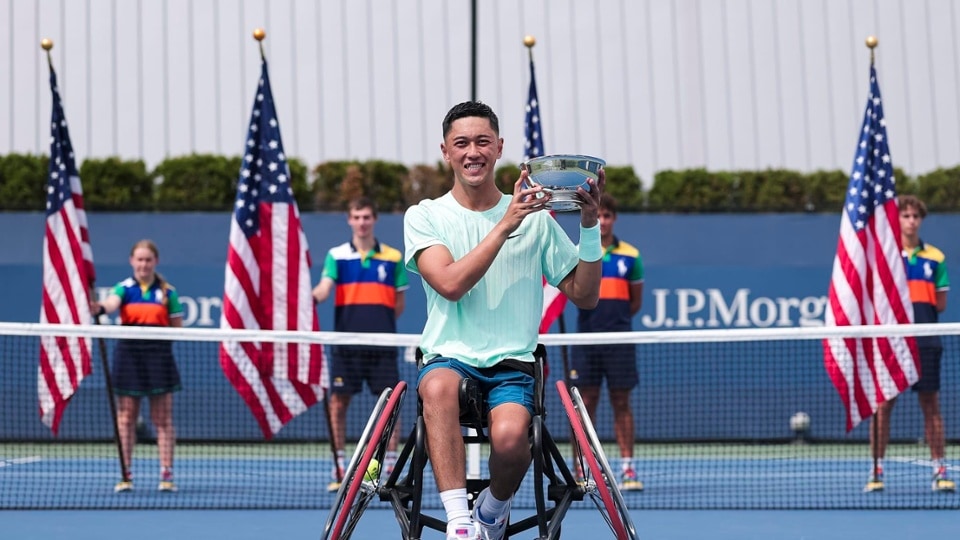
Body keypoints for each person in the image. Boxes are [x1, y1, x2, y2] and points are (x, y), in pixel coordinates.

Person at [403, 101, 604, 540]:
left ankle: (492, 510)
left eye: (482, 142)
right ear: (446, 151)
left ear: (499, 149)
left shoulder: (538, 222)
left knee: (514, 440)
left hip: (513, 364)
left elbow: (586, 295)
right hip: (448, 357)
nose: (472, 152)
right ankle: (459, 522)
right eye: (461, 143)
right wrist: (506, 223)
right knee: (437, 386)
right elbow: (451, 284)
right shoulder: (424, 215)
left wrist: (589, 226)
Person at [312, 196, 408, 492]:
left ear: (374, 219)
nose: (362, 222)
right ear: (349, 220)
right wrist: (310, 297)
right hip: (346, 344)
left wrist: (376, 323)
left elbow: (399, 303)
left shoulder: (393, 257)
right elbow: (325, 289)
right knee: (338, 404)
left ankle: (388, 465)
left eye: (367, 216)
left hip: (381, 342)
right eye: (357, 216)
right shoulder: (336, 256)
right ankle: (340, 466)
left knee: (389, 406)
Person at [865, 194, 953, 493]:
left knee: (931, 405)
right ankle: (877, 471)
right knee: (884, 406)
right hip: (892, 342)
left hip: (926, 340)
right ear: (897, 220)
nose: (911, 221)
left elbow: (940, 304)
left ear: (922, 220)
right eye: (906, 216)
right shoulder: (885, 257)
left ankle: (940, 471)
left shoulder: (936, 258)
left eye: (916, 216)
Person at [567, 193, 645, 491]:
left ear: (614, 219)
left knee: (622, 402)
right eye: (597, 216)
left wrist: (614, 324)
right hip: (587, 341)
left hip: (619, 341)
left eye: (607, 216)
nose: (602, 222)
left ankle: (627, 469)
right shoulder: (579, 252)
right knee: (584, 405)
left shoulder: (631, 255)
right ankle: (583, 469)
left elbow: (633, 303)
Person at [93, 239, 183, 493]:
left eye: (148, 260)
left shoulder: (168, 292)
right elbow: (111, 305)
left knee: (162, 418)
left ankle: (166, 474)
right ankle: (126, 473)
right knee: (126, 417)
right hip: (129, 356)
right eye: (139, 259)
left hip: (158, 357)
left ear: (155, 262)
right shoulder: (124, 288)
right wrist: (100, 308)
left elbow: (178, 329)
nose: (143, 264)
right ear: (132, 261)